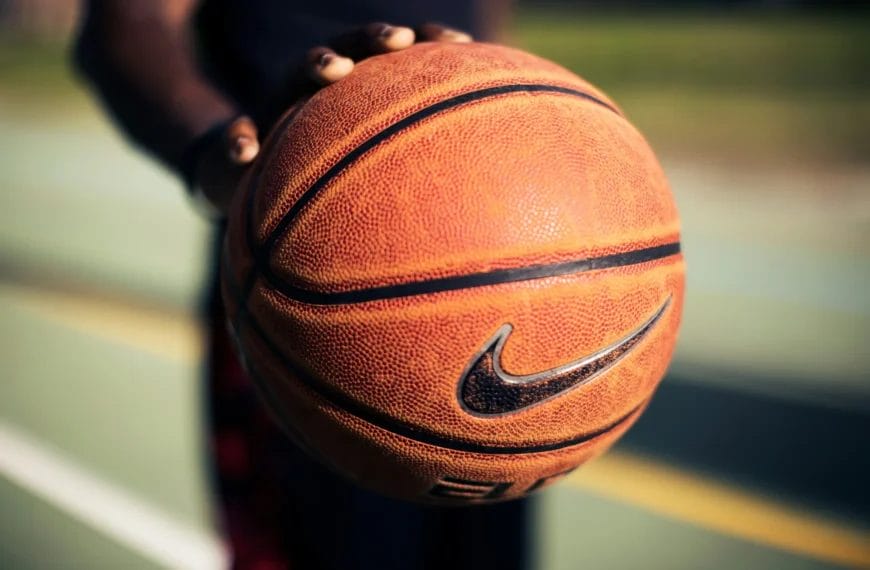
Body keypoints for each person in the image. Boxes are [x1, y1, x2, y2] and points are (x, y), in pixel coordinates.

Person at [74, 1, 528, 569]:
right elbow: (126, 21)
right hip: (301, 286)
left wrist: (494, 88)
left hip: (500, 271)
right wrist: (219, 145)